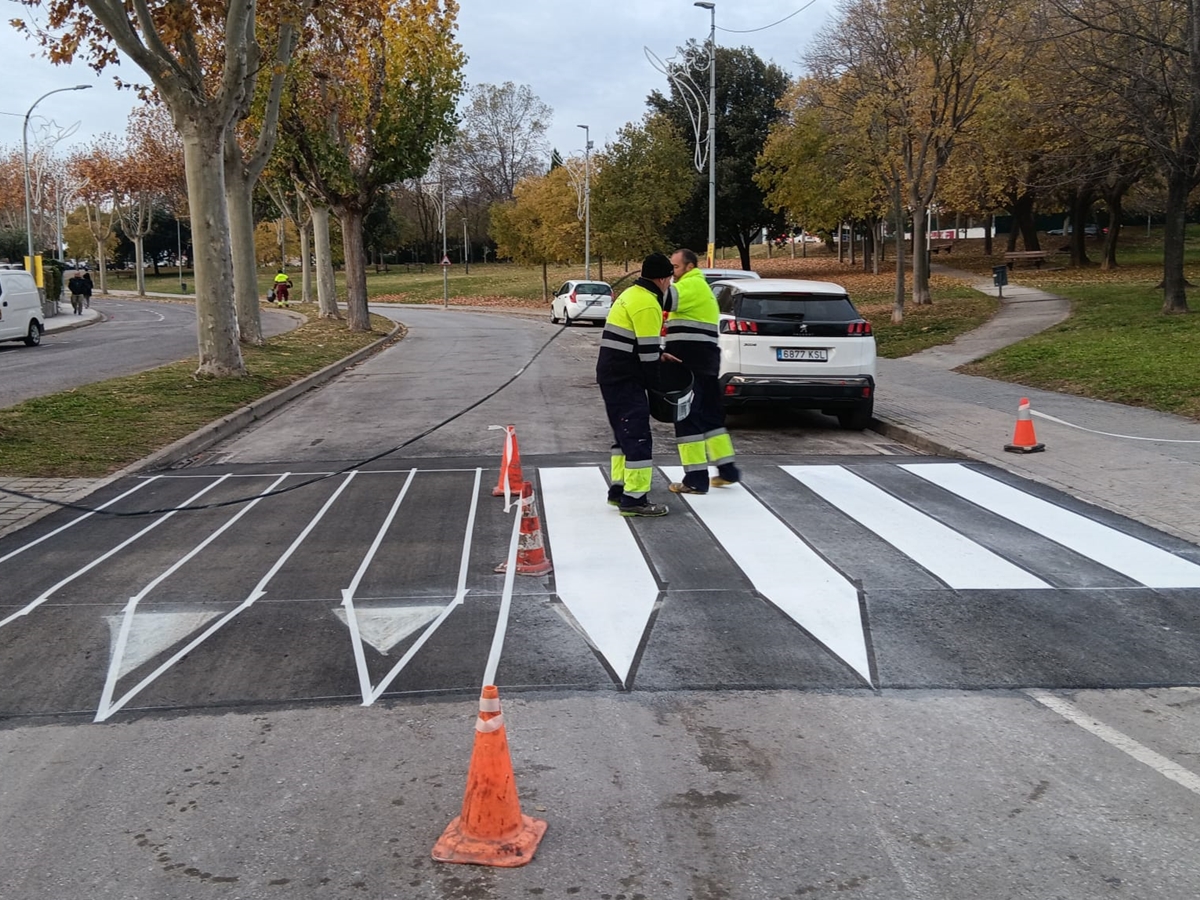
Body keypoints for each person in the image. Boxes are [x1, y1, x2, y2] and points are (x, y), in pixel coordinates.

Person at [596, 252, 680, 517]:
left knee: (624, 435)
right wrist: (657, 389)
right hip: (625, 377)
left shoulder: (631, 294)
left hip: (614, 373)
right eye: (670, 278)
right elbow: (646, 355)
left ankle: (619, 491)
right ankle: (635, 501)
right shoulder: (647, 304)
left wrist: (659, 353)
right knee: (638, 436)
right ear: (664, 278)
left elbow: (640, 345)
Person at [665, 248, 740, 494]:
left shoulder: (690, 285)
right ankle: (727, 470)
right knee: (710, 417)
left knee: (687, 418)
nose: (671, 272)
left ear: (689, 266)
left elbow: (663, 299)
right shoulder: (701, 287)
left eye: (674, 267)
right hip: (706, 360)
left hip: (688, 360)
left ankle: (695, 479)